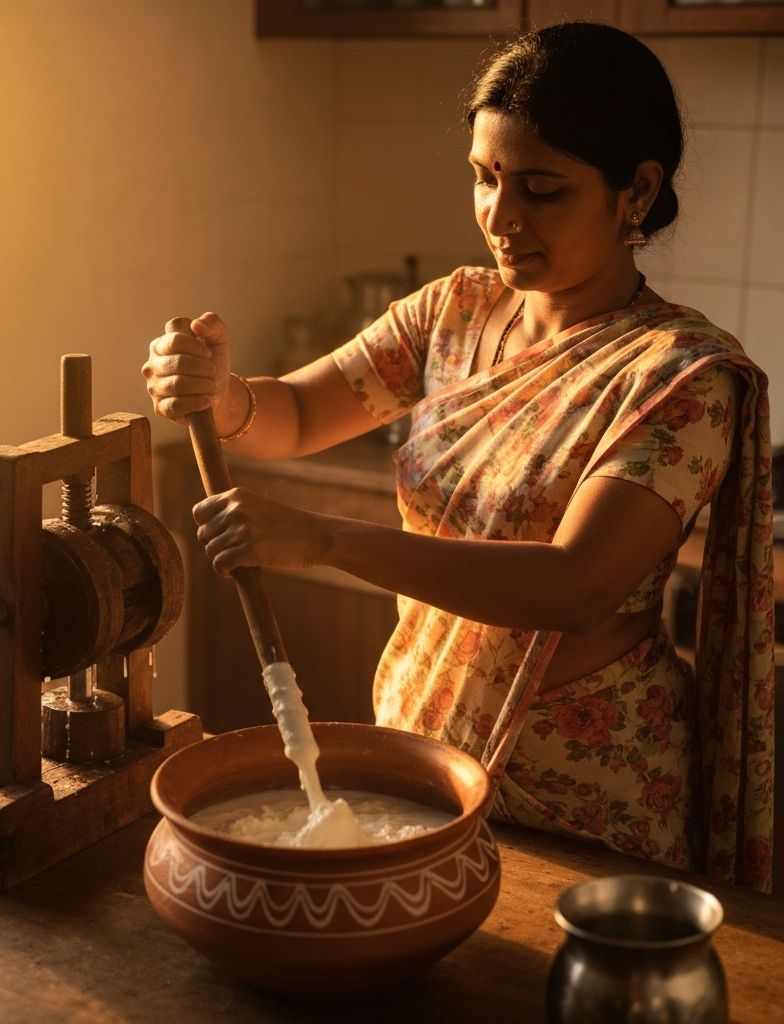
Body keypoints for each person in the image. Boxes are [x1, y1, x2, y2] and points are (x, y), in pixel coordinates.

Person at [141, 22, 774, 892]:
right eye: (485, 179)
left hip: (587, 783)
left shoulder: (675, 376)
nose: (501, 218)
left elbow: (578, 586)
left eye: (542, 189)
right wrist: (220, 393)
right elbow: (290, 413)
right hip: (427, 749)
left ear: (637, 191)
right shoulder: (453, 313)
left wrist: (325, 539)